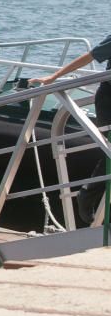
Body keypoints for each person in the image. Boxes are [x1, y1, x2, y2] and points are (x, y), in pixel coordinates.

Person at [31, 32, 111, 225]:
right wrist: (55, 77)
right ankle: (87, 195)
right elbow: (90, 56)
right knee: (109, 152)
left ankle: (90, 196)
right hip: (109, 100)